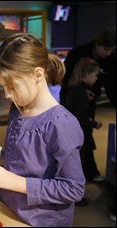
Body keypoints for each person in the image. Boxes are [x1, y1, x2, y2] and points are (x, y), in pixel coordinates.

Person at [0, 33, 86, 227]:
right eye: (3, 87)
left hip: (42, 221)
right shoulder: (18, 109)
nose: (7, 94)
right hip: (9, 211)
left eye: (12, 86)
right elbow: (20, 156)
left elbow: (74, 188)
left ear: (37, 74)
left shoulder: (61, 124)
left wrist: (16, 183)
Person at [65, 58, 103, 207]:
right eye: (95, 74)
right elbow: (80, 117)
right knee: (77, 167)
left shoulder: (75, 88)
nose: (96, 78)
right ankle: (76, 197)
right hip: (79, 134)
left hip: (74, 133)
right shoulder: (79, 92)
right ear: (86, 75)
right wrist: (95, 123)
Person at [60, 29, 116, 117]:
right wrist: (79, 92)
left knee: (86, 127)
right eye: (105, 49)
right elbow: (66, 77)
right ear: (97, 44)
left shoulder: (111, 59)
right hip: (70, 98)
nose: (108, 53)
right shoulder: (77, 53)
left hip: (90, 101)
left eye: (112, 50)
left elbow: (111, 84)